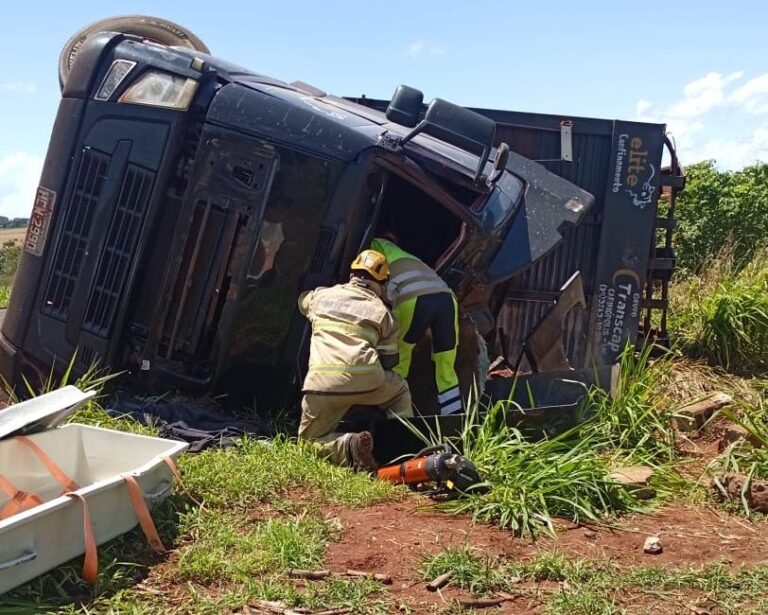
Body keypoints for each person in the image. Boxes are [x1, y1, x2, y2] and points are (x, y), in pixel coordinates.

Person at [297, 249, 413, 471]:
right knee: (400, 391)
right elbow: (390, 362)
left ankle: (347, 445)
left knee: (308, 443)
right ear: (383, 282)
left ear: (352, 274)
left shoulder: (321, 297)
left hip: (322, 384)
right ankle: (401, 450)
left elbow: (302, 300)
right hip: (368, 381)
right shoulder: (384, 313)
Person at [371, 233, 462, 415]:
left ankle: (394, 417)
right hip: (448, 299)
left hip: (413, 299)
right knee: (446, 367)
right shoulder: (413, 259)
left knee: (399, 359)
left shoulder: (376, 245)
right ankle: (455, 421)